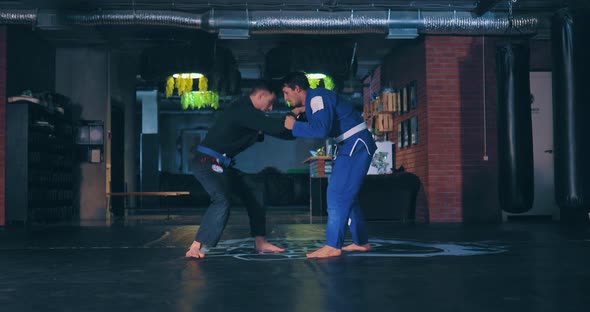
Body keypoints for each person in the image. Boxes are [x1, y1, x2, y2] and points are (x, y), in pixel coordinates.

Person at [186, 81, 293, 259]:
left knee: (254, 188)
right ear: (260, 96)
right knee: (221, 200)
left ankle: (260, 242)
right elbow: (276, 128)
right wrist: (293, 116)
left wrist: (298, 123)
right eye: (270, 102)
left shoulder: (247, 112)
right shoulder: (243, 110)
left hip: (222, 165)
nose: (271, 108)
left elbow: (281, 132)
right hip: (206, 162)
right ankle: (197, 246)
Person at [282, 71, 377, 258]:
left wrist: (294, 126)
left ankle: (333, 245)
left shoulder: (316, 97)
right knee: (348, 195)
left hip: (355, 144)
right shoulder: (315, 100)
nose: (285, 98)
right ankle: (361, 242)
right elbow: (324, 118)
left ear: (298, 88)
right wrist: (302, 111)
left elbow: (321, 129)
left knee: (336, 193)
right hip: (351, 144)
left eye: (286, 93)